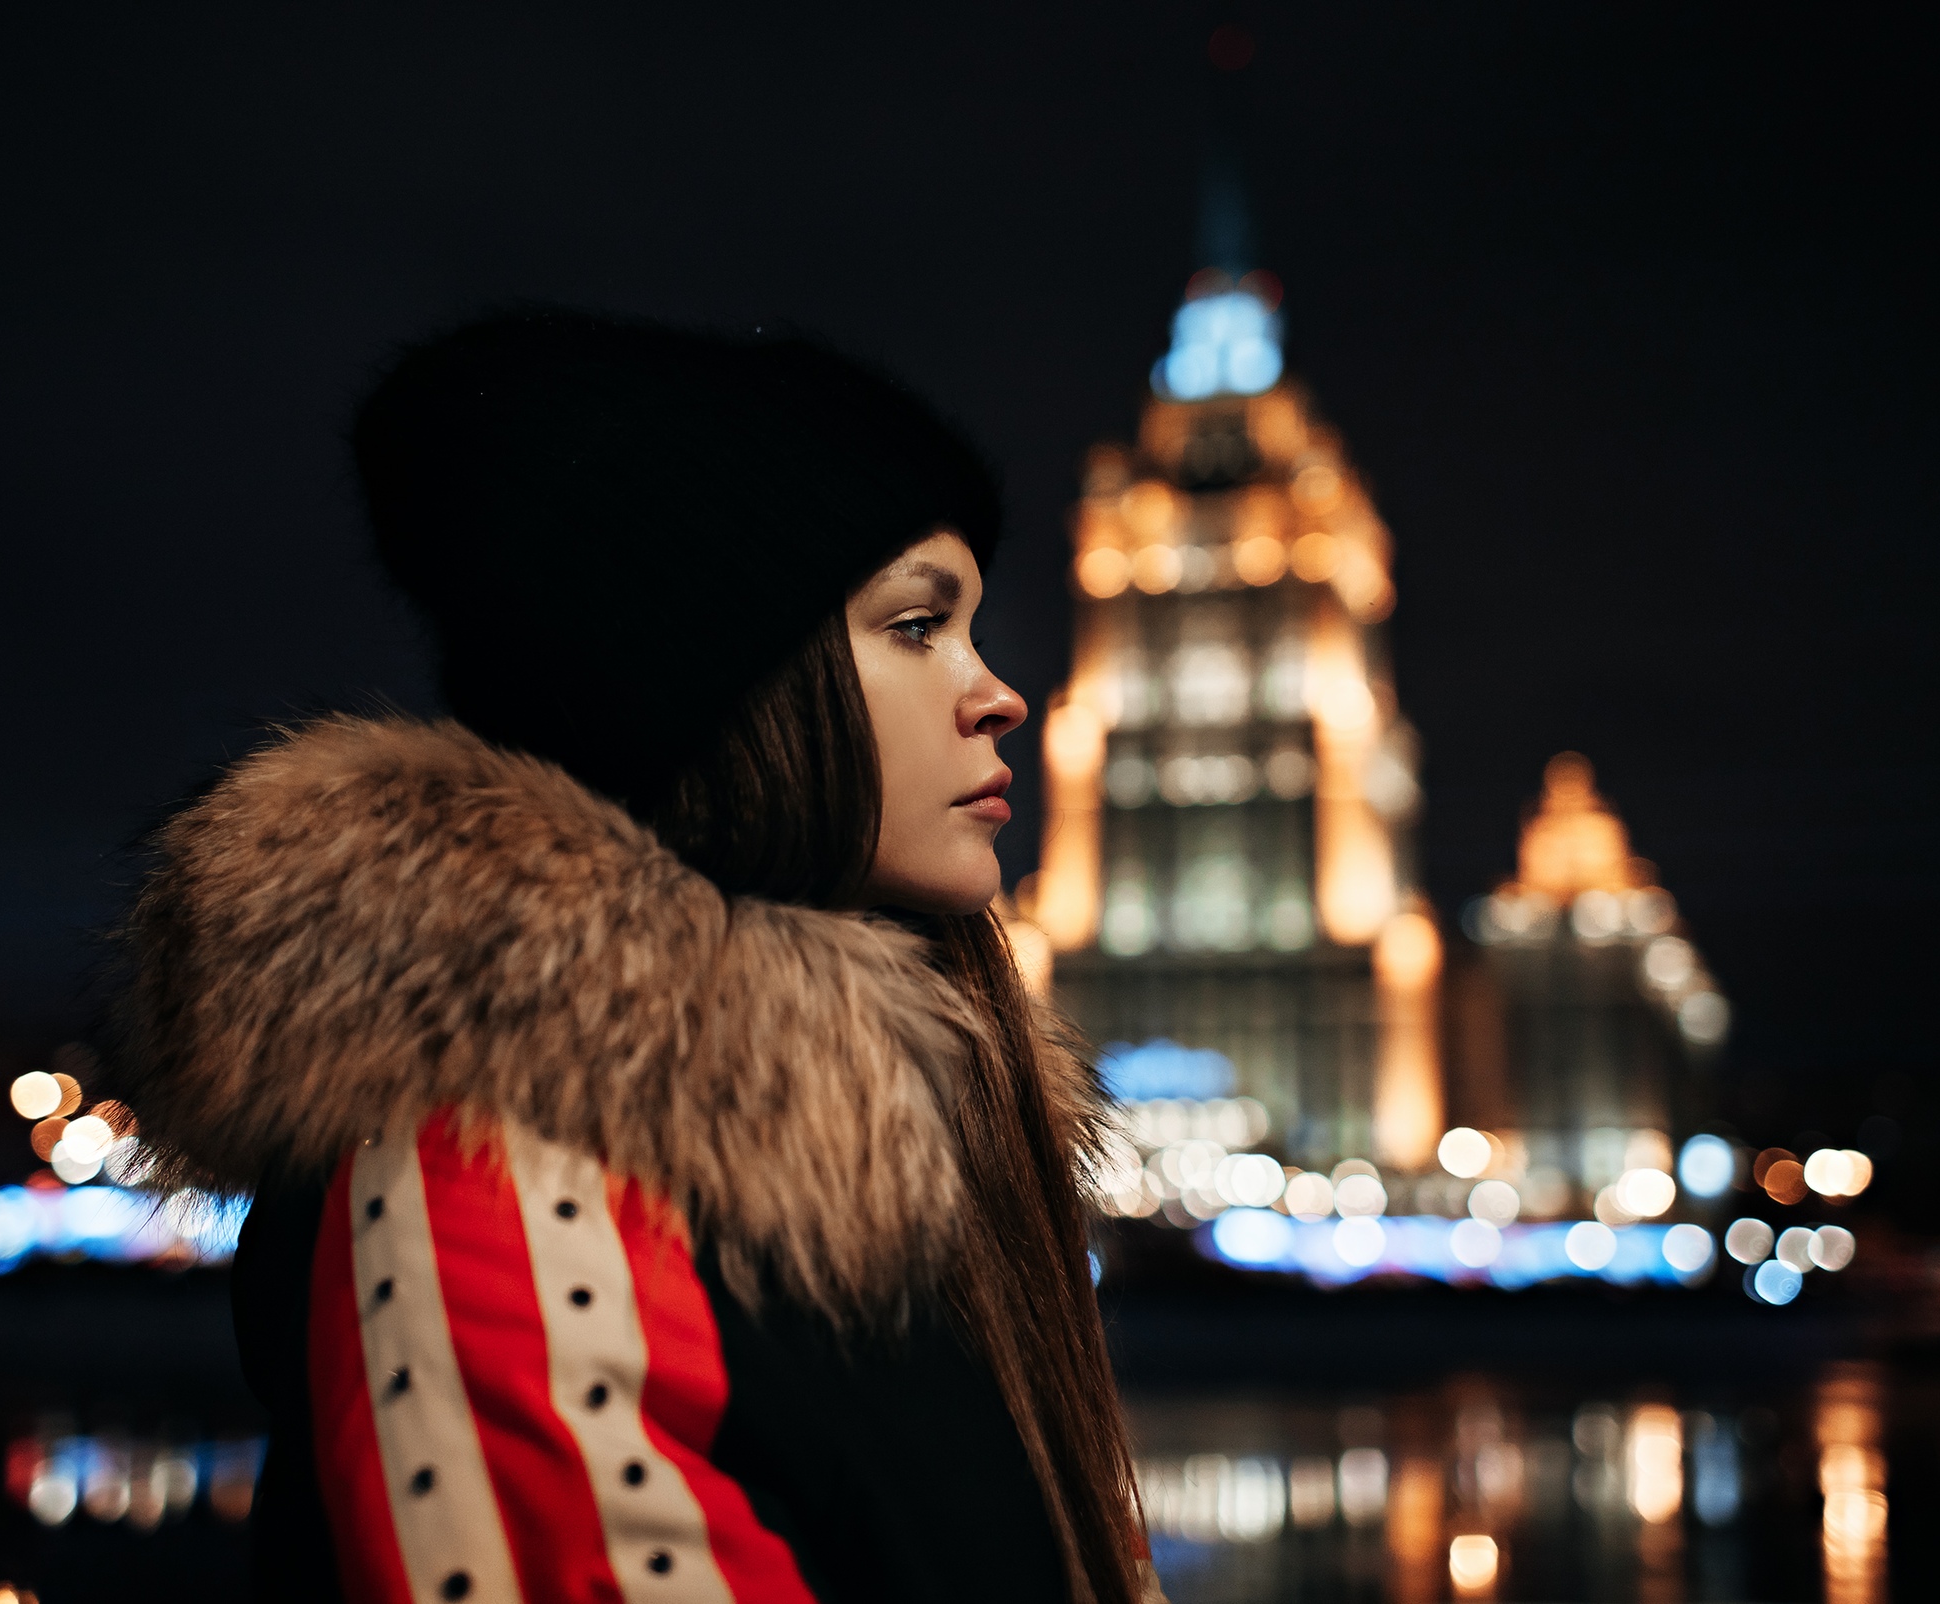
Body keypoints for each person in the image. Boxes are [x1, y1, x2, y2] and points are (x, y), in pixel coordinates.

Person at [108, 309, 1157, 1604]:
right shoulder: (486, 1171)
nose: (998, 693)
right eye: (915, 625)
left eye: (972, 629)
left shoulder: (919, 1157)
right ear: (719, 688)